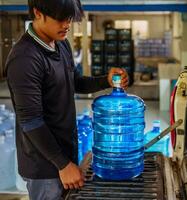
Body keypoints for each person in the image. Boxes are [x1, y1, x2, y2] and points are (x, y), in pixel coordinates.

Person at [5, 0, 129, 199]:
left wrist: (104, 80)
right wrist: (62, 164)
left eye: (70, 18)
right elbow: (31, 121)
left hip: (65, 154)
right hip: (45, 165)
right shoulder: (25, 59)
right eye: (61, 18)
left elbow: (75, 82)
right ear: (37, 13)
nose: (67, 25)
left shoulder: (61, 44)